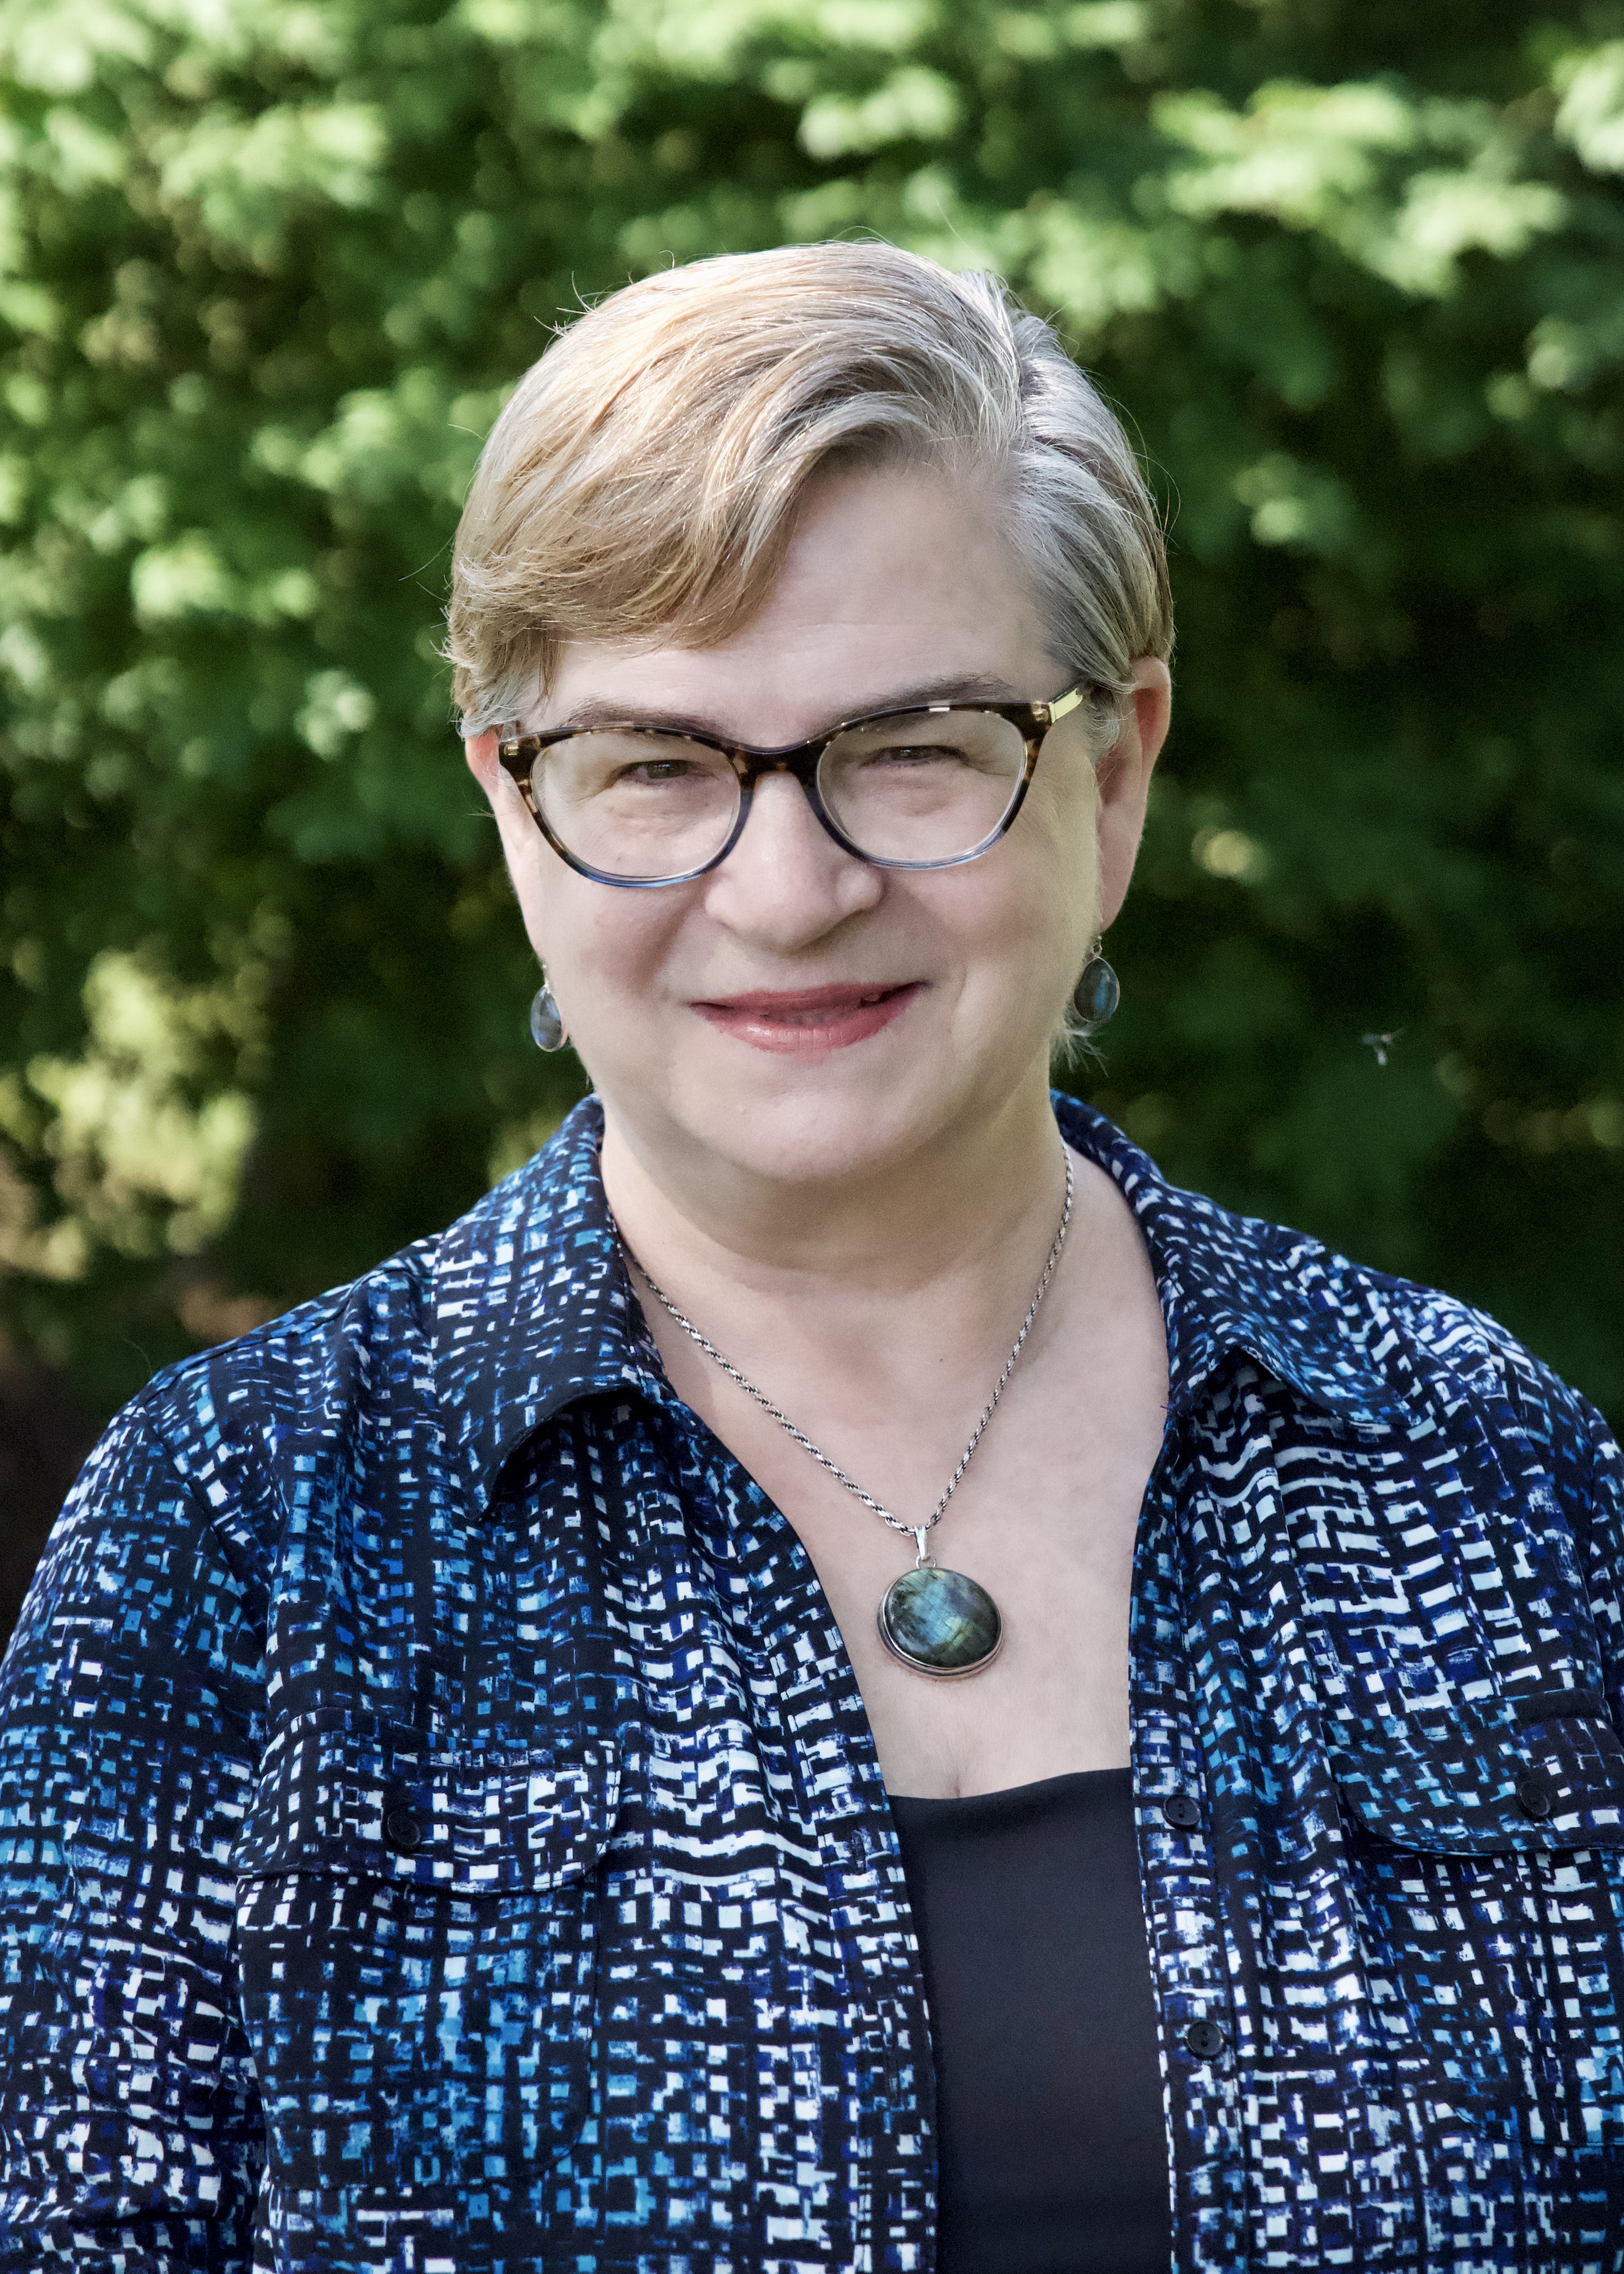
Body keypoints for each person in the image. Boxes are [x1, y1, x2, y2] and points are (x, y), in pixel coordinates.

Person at [1, 239, 1621, 2274]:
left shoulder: (1479, 1473)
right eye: (659, 765)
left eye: (913, 744)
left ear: (1110, 772)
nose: (787, 888)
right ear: (515, 807)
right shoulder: (241, 1529)